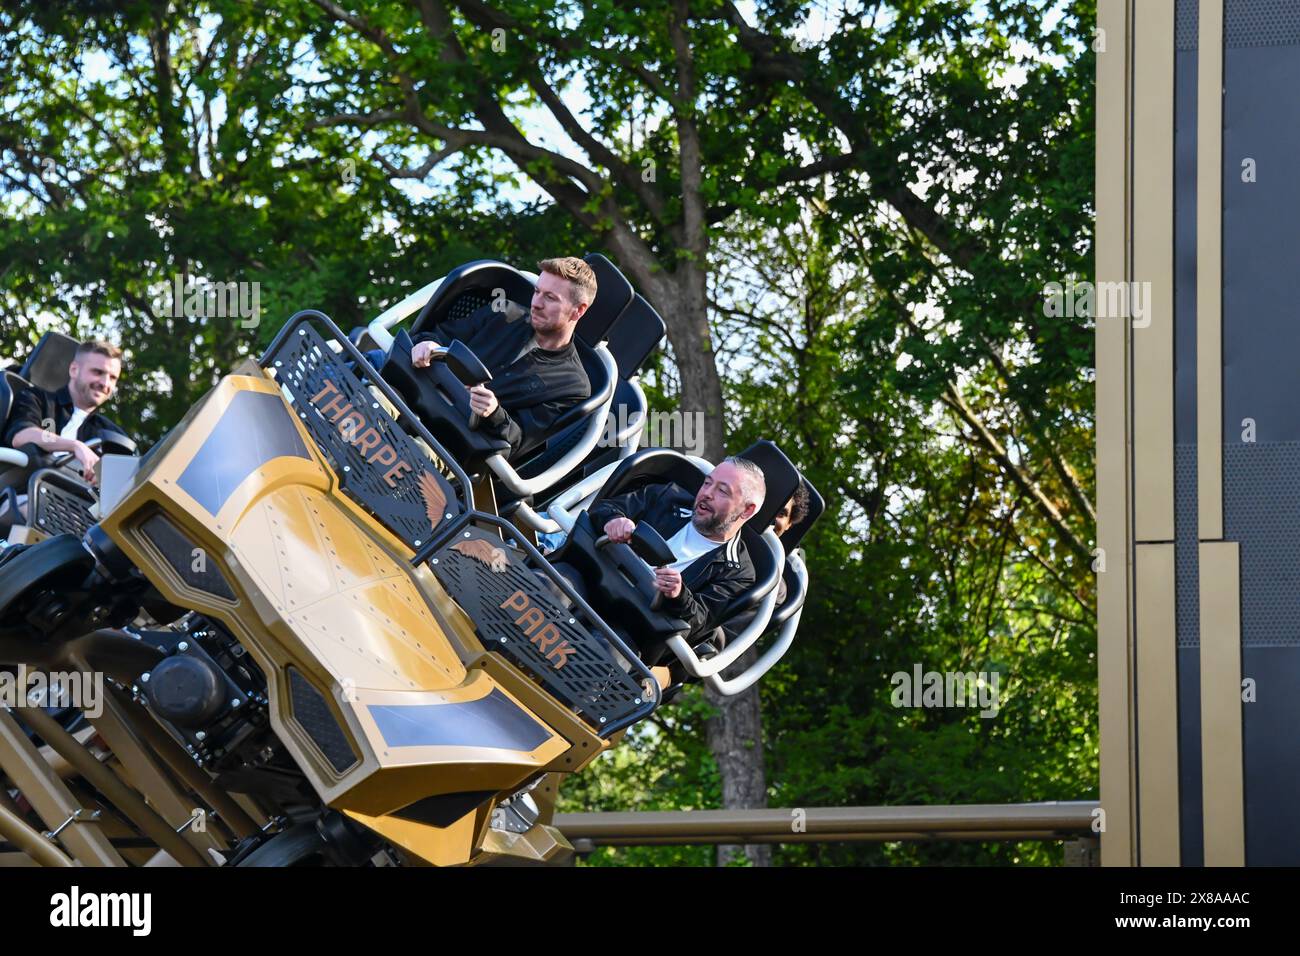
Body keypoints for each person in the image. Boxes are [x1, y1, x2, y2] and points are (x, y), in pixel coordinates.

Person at [364, 257, 596, 461]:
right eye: (537, 291)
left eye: (550, 297)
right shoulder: (504, 311)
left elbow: (519, 440)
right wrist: (426, 343)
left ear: (578, 311)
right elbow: (437, 334)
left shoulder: (572, 386)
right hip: (411, 394)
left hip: (451, 443)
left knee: (409, 462)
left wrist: (494, 412)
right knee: (368, 403)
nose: (536, 303)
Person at [5, 338, 126, 485]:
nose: (105, 383)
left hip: (79, 506)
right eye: (98, 372)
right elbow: (22, 435)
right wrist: (75, 446)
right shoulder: (39, 398)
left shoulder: (110, 432)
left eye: (113, 378)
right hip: (27, 494)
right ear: (74, 370)